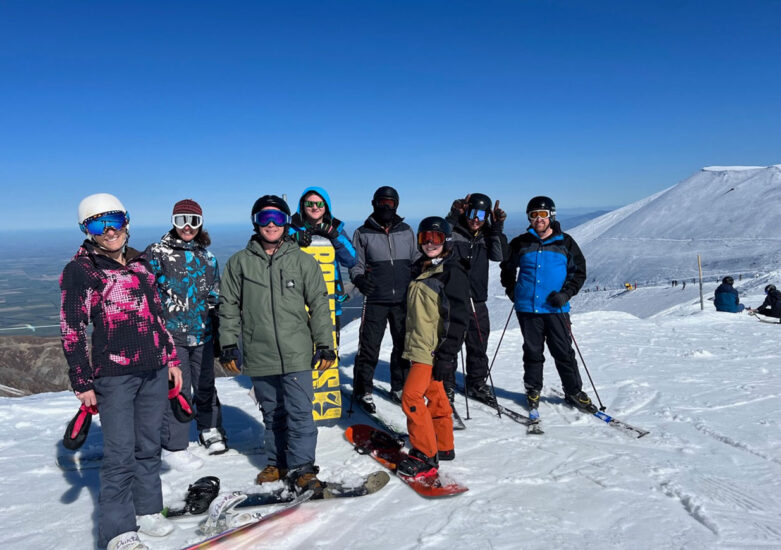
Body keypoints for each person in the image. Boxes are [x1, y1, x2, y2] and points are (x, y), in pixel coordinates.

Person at [60, 193, 182, 550]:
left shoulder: (141, 263)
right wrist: (82, 382)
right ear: (87, 229)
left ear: (126, 220)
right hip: (114, 373)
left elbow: (158, 317)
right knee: (119, 452)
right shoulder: (82, 270)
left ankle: (147, 512)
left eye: (114, 219)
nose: (110, 230)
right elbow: (72, 329)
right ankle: (117, 531)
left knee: (148, 446)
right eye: (99, 223)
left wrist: (172, 359)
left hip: (155, 368)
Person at [218, 195, 336, 492]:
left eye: (278, 218)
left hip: (297, 351)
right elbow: (228, 305)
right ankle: (278, 462)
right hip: (259, 351)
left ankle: (303, 467)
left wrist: (324, 343)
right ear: (255, 223)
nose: (271, 225)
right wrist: (228, 343)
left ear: (287, 222)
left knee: (299, 412)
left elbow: (320, 304)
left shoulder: (302, 261)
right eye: (264, 218)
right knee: (272, 414)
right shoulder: (239, 263)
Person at [145, 199, 225, 472]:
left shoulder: (208, 258)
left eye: (193, 221)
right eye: (181, 220)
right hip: (172, 335)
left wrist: (221, 329)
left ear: (201, 223)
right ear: (173, 221)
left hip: (203, 332)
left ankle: (210, 428)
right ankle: (175, 443)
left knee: (205, 384)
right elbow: (146, 293)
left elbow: (215, 294)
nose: (187, 227)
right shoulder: (157, 253)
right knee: (178, 389)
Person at [500, 196, 595, 414]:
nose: (538, 219)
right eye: (534, 215)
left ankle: (573, 391)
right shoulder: (520, 243)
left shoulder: (565, 242)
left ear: (551, 216)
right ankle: (533, 388)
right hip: (528, 310)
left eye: (543, 215)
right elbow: (507, 268)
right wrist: (513, 291)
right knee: (532, 352)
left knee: (563, 352)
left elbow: (579, 272)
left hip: (556, 310)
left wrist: (566, 294)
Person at [398, 217, 469, 478]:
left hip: (429, 349)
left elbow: (459, 318)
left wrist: (447, 354)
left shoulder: (451, 272)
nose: (429, 243)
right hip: (421, 344)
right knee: (436, 394)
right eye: (424, 238)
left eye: (436, 238)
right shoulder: (424, 268)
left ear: (446, 241)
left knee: (411, 397)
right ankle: (443, 445)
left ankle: (425, 454)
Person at [349, 186, 419, 412]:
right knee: (369, 347)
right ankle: (363, 390)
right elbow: (355, 264)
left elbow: (416, 257)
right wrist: (359, 280)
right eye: (382, 202)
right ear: (374, 204)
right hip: (376, 298)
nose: (386, 207)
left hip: (402, 299)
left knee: (402, 346)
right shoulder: (363, 232)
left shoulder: (406, 230)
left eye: (390, 203)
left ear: (396, 205)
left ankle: (398, 387)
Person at [444, 193, 508, 406]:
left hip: (478, 300)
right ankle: (446, 384)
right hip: (453, 299)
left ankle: (477, 383)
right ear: (466, 211)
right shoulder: (454, 231)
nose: (476, 219)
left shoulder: (488, 234)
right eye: (472, 213)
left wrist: (497, 227)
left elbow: (499, 255)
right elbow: (438, 241)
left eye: (482, 214)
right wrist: (453, 216)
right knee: (450, 344)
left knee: (478, 343)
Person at [289, 186, 357, 341]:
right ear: (302, 205)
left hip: (330, 300)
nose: (314, 207)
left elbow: (351, 259)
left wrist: (334, 236)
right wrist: (292, 240)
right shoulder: (291, 229)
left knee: (329, 347)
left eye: (319, 204)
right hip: (296, 300)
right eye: (309, 204)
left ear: (326, 206)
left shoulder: (336, 228)